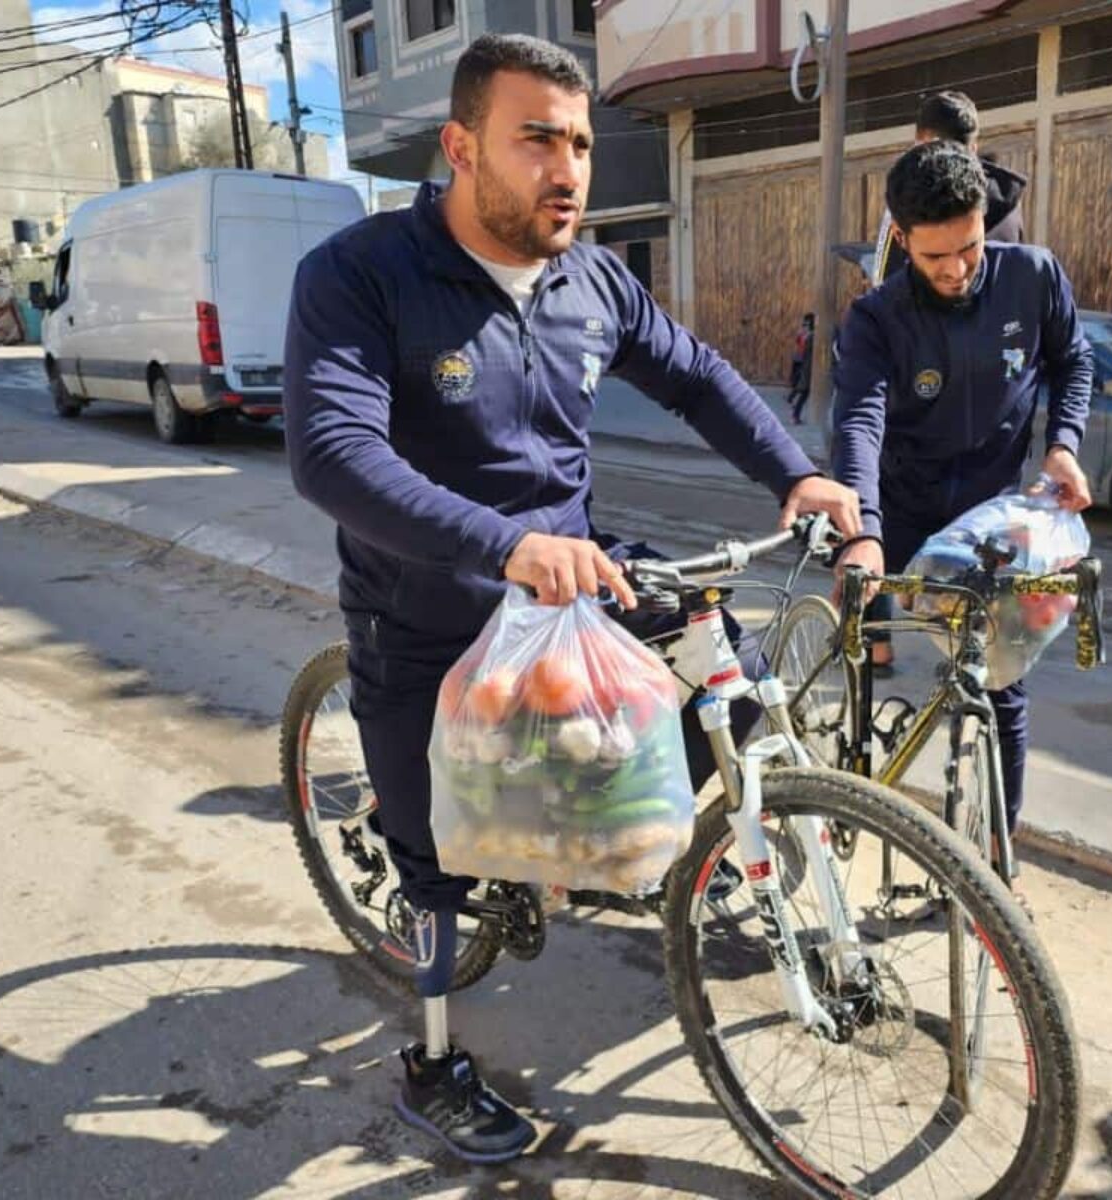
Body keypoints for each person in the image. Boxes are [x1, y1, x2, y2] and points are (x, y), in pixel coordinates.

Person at [283, 34, 860, 1165]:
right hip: (426, 608)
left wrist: (796, 471)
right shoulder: (358, 276)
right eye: (536, 137)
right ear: (462, 147)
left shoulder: (590, 279)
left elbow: (697, 376)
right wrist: (503, 544)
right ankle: (434, 1060)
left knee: (723, 682)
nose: (569, 168)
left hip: (574, 574)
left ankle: (643, 849)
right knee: (436, 858)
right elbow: (331, 454)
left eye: (583, 142)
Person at [830, 140, 1093, 842]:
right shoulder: (877, 319)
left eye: (969, 248)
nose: (955, 270)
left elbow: (1073, 358)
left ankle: (994, 863)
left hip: (992, 518)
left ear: (985, 221)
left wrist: (1063, 445)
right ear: (901, 241)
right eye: (933, 257)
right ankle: (855, 783)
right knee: (865, 638)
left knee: (1000, 685)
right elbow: (858, 419)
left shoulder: (1032, 278)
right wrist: (861, 532)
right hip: (904, 508)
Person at [878, 90, 1028, 279]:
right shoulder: (1008, 203)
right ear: (973, 148)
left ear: (924, 144)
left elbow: (888, 280)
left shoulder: (913, 199)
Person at [786, 312, 814, 424]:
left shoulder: (806, 334)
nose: (805, 326)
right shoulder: (809, 336)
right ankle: (794, 412)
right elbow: (803, 348)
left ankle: (792, 402)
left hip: (803, 362)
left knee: (803, 388)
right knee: (804, 390)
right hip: (806, 364)